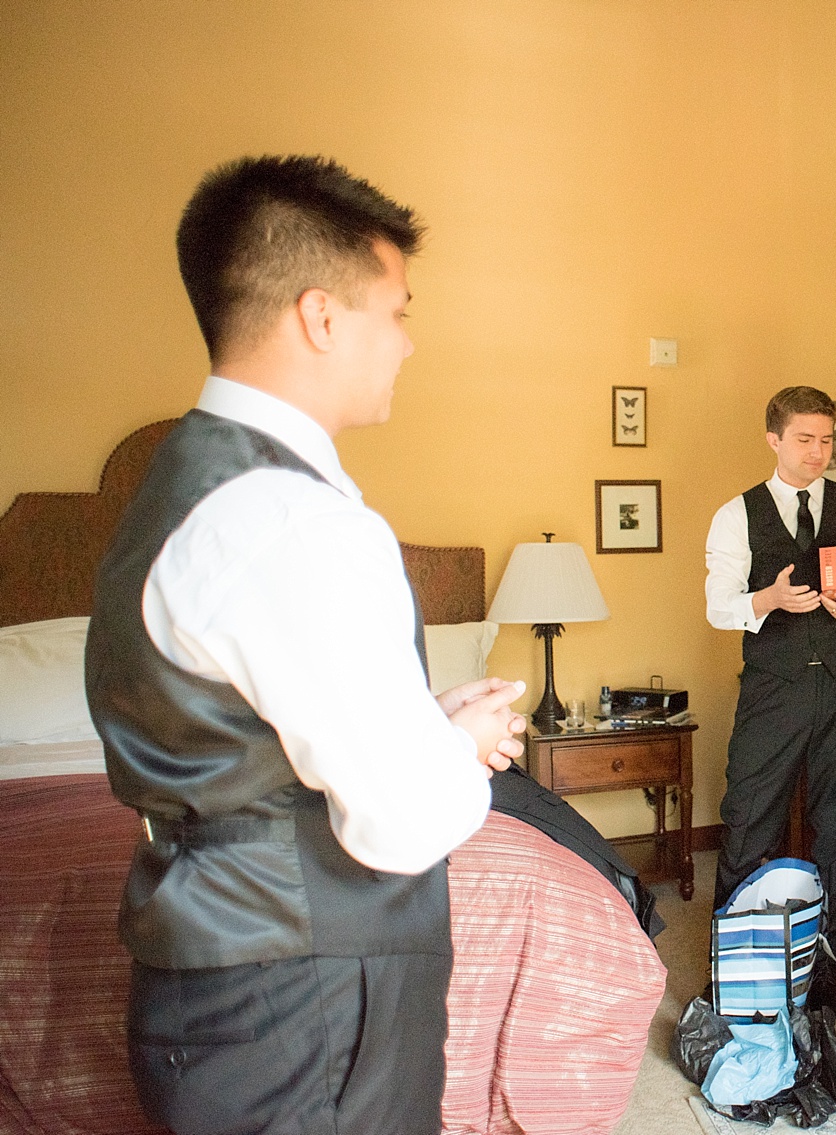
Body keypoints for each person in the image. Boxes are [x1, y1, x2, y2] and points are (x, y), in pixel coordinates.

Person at [85, 155, 527, 1135]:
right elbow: (402, 820)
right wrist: (455, 748)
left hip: (214, 980)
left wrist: (422, 721)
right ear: (322, 317)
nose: (410, 344)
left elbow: (269, 732)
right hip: (299, 999)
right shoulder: (288, 518)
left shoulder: (183, 486)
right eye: (398, 310)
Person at [704, 386, 836, 1009]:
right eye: (805, 439)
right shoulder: (737, 514)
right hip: (774, 691)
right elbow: (718, 605)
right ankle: (730, 963)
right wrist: (769, 600)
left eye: (827, 440)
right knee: (747, 822)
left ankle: (825, 967)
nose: (819, 452)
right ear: (775, 439)